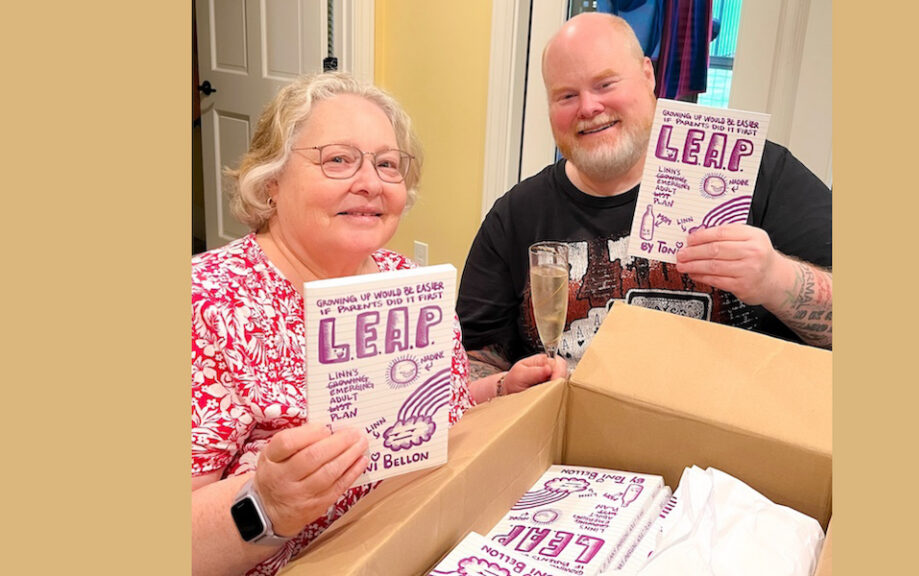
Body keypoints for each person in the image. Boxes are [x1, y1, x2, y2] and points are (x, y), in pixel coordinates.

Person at [191, 71, 564, 576]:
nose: (369, 183)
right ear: (271, 180)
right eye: (338, 159)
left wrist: (498, 389)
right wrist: (265, 505)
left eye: (387, 164)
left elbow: (425, 416)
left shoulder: (407, 280)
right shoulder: (207, 302)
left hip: (432, 541)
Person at [456, 12, 832, 378]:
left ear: (648, 75)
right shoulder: (515, 216)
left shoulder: (755, 173)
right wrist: (505, 386)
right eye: (566, 95)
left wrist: (775, 279)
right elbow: (473, 360)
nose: (588, 107)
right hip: (569, 433)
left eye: (605, 84)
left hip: (730, 431)